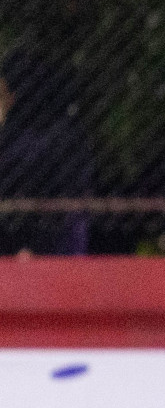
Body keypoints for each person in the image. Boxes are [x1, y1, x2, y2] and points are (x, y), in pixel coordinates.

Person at [0, 47, 94, 255]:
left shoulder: (27, 138)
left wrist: (27, 245)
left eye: (5, 91)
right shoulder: (65, 129)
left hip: (52, 239)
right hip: (57, 235)